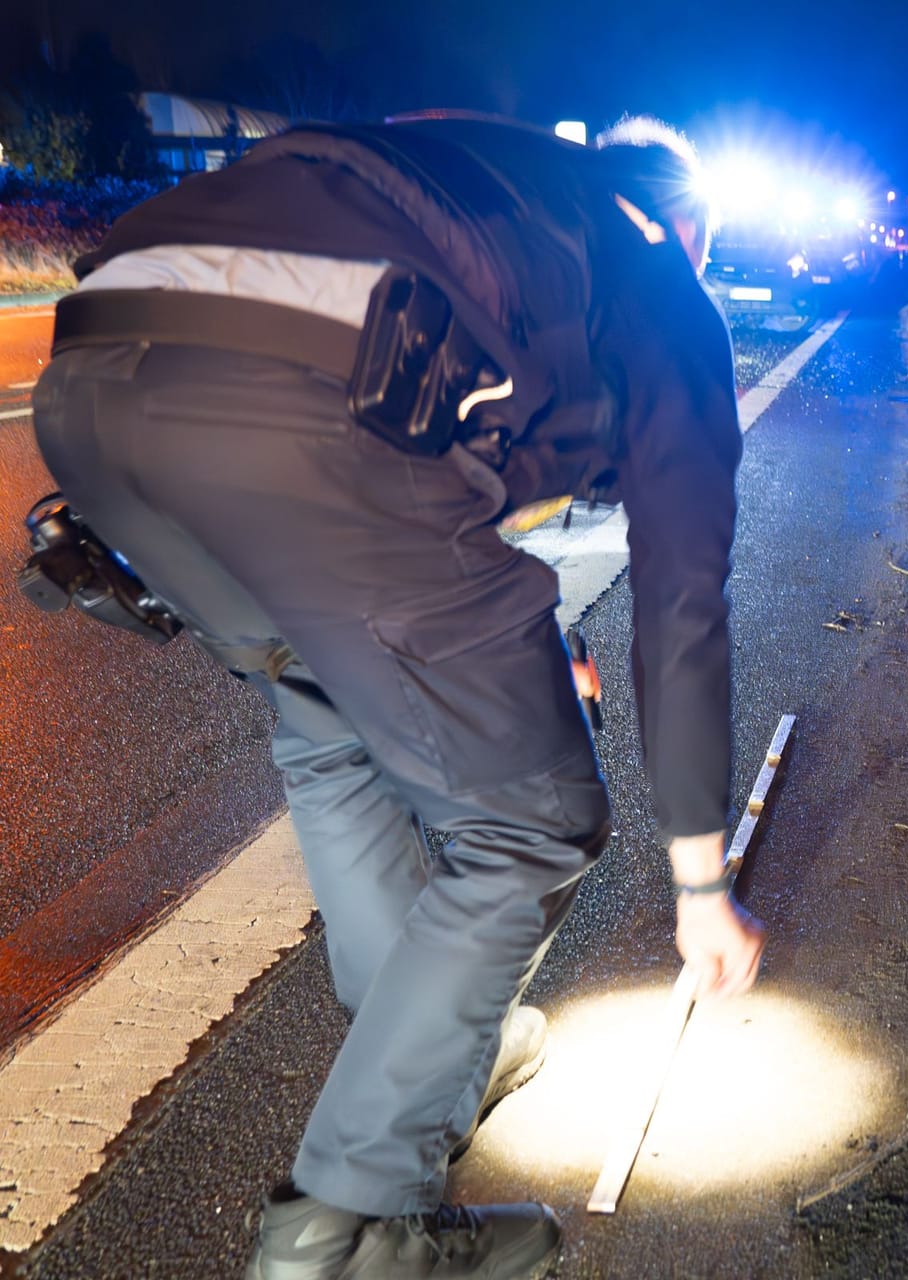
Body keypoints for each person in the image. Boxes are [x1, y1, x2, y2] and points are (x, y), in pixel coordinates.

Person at [29, 113, 764, 1280]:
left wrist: (506, 656)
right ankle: (346, 1226)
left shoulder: (488, 179)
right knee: (532, 817)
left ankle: (434, 1057)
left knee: (326, 723)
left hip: (90, 384)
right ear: (687, 226)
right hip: (303, 407)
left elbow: (450, 495)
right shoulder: (661, 278)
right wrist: (701, 883)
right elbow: (683, 605)